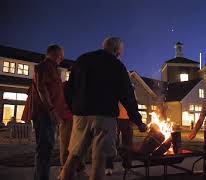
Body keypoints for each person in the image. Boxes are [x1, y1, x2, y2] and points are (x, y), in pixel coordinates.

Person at [61, 37, 148, 180]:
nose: (120, 54)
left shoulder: (82, 60)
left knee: (74, 155)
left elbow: (69, 89)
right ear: (116, 51)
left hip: (81, 116)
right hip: (104, 118)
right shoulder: (117, 66)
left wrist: (74, 109)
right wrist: (138, 121)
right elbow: (127, 96)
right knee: (99, 160)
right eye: (120, 51)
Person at [22, 45, 69, 180]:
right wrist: (52, 110)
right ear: (54, 53)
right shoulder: (45, 67)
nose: (63, 57)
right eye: (61, 54)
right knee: (44, 149)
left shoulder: (52, 68)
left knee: (46, 149)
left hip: (48, 114)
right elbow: (42, 89)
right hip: (45, 114)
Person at [105, 102, 133, 176]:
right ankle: (108, 166)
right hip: (115, 118)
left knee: (127, 143)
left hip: (127, 119)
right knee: (112, 142)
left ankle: (127, 165)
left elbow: (133, 104)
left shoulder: (132, 91)